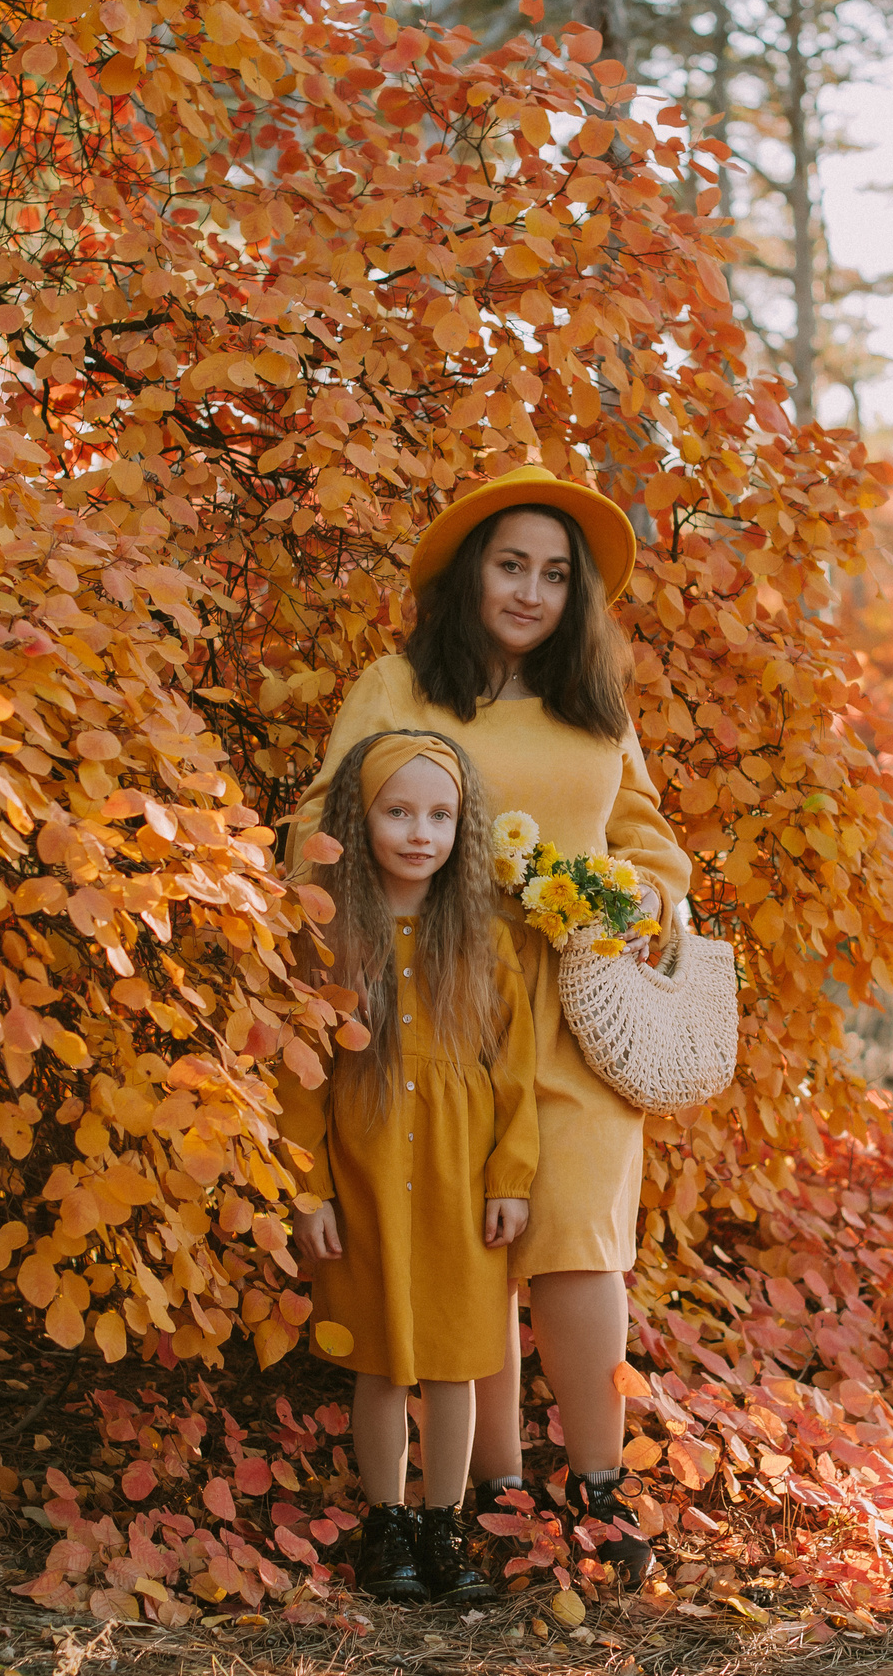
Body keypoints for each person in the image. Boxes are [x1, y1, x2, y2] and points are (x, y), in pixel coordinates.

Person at [286, 465, 690, 1585]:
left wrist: (625, 895)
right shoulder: (399, 685)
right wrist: (359, 941)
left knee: (578, 1242)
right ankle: (494, 1495)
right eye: (510, 565)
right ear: (472, 573)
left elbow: (654, 846)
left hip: (583, 997)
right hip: (442, 1004)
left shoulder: (594, 708)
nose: (529, 591)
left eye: (554, 575)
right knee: (476, 1238)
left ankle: (600, 1491)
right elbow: (318, 827)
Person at [278, 730, 539, 1603]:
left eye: (440, 815)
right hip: (367, 1164)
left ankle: (444, 1522)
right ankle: (385, 1523)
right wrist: (306, 1188)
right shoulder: (331, 935)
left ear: (463, 828)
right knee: (383, 1357)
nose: (420, 832)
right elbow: (302, 1070)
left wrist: (511, 1178)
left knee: (460, 1356)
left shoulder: (482, 940)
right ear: (363, 818)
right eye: (399, 812)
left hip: (463, 1175)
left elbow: (516, 1075)